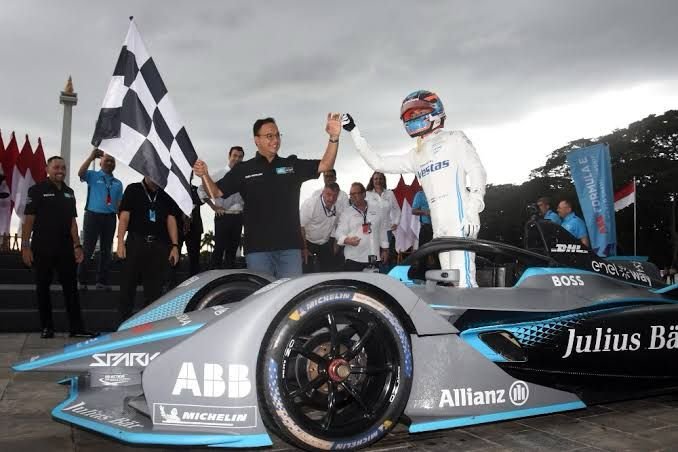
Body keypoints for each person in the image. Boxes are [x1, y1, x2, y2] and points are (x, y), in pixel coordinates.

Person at [343, 89, 487, 287]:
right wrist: (354, 132)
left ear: (435, 111)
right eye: (410, 115)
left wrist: (473, 208)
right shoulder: (416, 155)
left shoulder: (455, 138)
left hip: (460, 220)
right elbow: (378, 163)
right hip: (438, 227)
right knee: (453, 282)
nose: (413, 118)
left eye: (418, 113)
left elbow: (477, 171)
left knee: (464, 281)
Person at [193, 114, 341, 278]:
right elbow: (215, 192)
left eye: (277, 135)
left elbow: (326, 164)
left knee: (290, 292)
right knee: (264, 292)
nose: (275, 140)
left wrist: (334, 138)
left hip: (289, 248)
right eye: (269, 136)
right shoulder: (244, 169)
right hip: (258, 250)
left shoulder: (291, 165)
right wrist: (204, 175)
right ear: (257, 140)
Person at [21, 156, 95, 338]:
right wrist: (25, 246)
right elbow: (29, 220)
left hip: (65, 248)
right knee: (42, 288)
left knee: (71, 289)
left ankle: (76, 328)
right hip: (42, 247)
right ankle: (47, 327)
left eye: (63, 167)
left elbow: (72, 222)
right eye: (56, 167)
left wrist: (77, 245)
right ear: (47, 169)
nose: (60, 171)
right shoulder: (37, 190)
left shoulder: (69, 192)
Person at [116, 176, 180, 322]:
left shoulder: (166, 193)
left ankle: (149, 325)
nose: (156, 176)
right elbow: (124, 216)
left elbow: (171, 219)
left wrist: (175, 245)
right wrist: (120, 241)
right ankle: (123, 324)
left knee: (154, 291)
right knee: (127, 286)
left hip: (159, 245)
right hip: (136, 242)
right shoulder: (133, 189)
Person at [76, 148, 123, 290]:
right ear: (100, 162)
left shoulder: (118, 183)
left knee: (106, 250)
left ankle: (102, 282)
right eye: (107, 160)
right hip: (93, 215)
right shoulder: (93, 175)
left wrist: (122, 226)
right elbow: (80, 173)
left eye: (112, 161)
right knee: (88, 248)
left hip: (110, 218)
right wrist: (91, 157)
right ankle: (81, 281)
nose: (109, 163)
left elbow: (119, 204)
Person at [199, 146, 245, 269]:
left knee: (233, 251)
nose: (237, 159)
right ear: (229, 156)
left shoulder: (243, 176)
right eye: (234, 156)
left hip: (239, 217)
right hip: (223, 216)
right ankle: (214, 276)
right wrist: (214, 207)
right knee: (219, 250)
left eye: (240, 157)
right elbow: (201, 189)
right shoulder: (220, 174)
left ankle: (229, 278)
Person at [336, 182, 389, 271]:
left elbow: (382, 230)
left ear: (364, 194)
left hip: (373, 257)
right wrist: (347, 240)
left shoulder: (377, 209)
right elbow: (338, 232)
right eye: (351, 194)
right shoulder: (346, 213)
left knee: (374, 280)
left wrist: (385, 250)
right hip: (354, 259)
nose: (352, 197)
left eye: (355, 194)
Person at [300, 182, 343, 272]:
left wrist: (336, 244)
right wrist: (304, 248)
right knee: (307, 272)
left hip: (325, 242)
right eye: (328, 194)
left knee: (329, 272)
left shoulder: (339, 206)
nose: (331, 199)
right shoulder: (311, 204)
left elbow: (338, 225)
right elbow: (301, 226)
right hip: (308, 242)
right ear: (323, 192)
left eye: (335, 196)